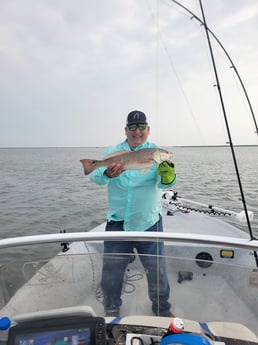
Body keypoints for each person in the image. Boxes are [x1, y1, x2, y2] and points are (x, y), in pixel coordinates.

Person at [90, 110, 176, 317]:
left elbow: (168, 182)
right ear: (126, 130)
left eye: (141, 127)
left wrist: (168, 176)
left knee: (157, 271)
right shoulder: (114, 151)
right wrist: (106, 172)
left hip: (149, 223)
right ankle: (111, 310)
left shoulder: (155, 154)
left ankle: (162, 310)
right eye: (133, 128)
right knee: (111, 272)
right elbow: (95, 177)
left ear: (148, 130)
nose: (137, 132)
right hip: (117, 223)